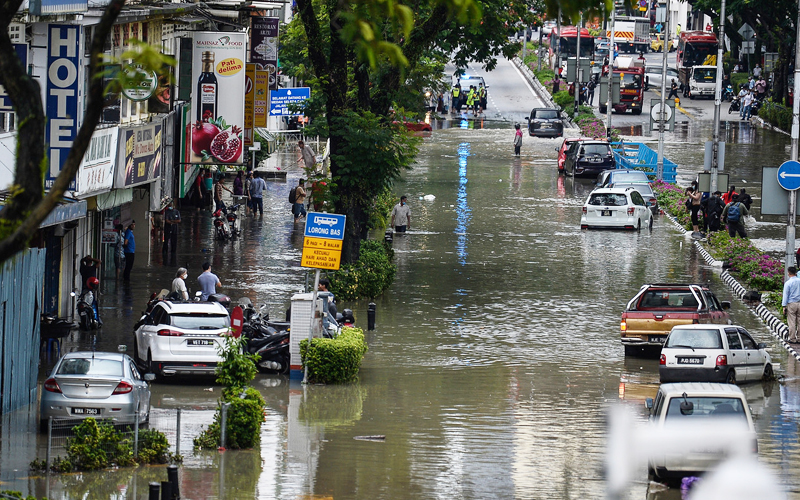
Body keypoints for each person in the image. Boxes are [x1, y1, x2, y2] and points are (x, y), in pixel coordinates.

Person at [783, 267, 800, 343]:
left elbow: (785, 295)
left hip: (791, 304)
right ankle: (799, 338)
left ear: (788, 273)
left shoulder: (788, 283)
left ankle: (792, 338)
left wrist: (784, 306)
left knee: (792, 321)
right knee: (799, 321)